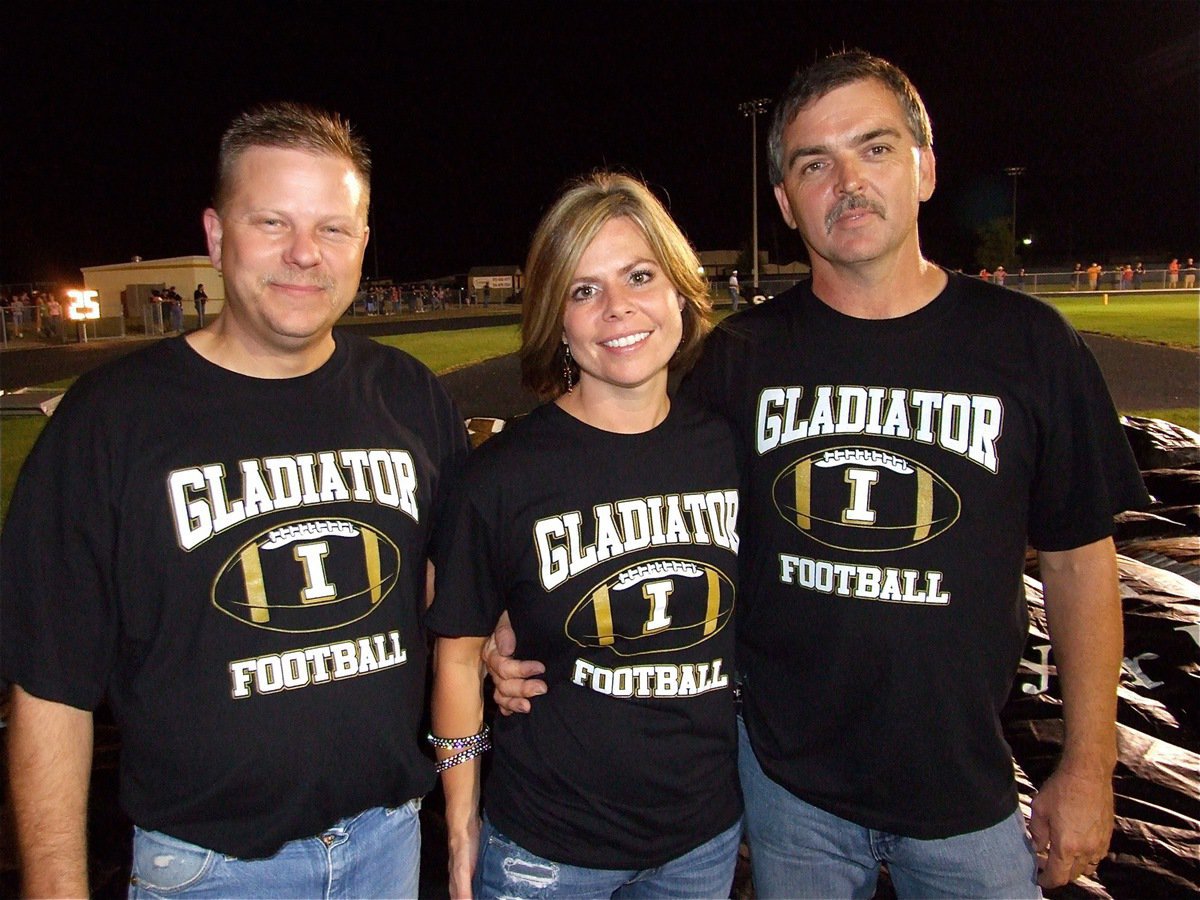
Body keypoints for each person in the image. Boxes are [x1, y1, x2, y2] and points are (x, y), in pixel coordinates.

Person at [488, 51, 1148, 898]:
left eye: (874, 148)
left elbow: (1079, 563)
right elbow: (619, 474)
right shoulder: (737, 359)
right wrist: (515, 608)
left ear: (926, 167)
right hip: (785, 791)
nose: (847, 181)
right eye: (814, 163)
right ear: (784, 202)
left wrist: (1090, 769)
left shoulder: (1031, 345)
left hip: (968, 790)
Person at [0, 101, 468, 898]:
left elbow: (449, 591)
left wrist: (503, 643)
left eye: (333, 228)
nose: (303, 255)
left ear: (362, 241)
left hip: (390, 842)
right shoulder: (110, 422)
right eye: (272, 222)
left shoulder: (410, 397)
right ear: (217, 236)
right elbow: (49, 690)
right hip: (212, 870)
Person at [428, 172, 741, 899]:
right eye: (583, 289)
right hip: (547, 852)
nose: (617, 309)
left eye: (638, 275)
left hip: (702, 841)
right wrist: (461, 819)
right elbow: (456, 661)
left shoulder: (731, 451)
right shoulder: (501, 477)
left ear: (679, 292)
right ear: (557, 320)